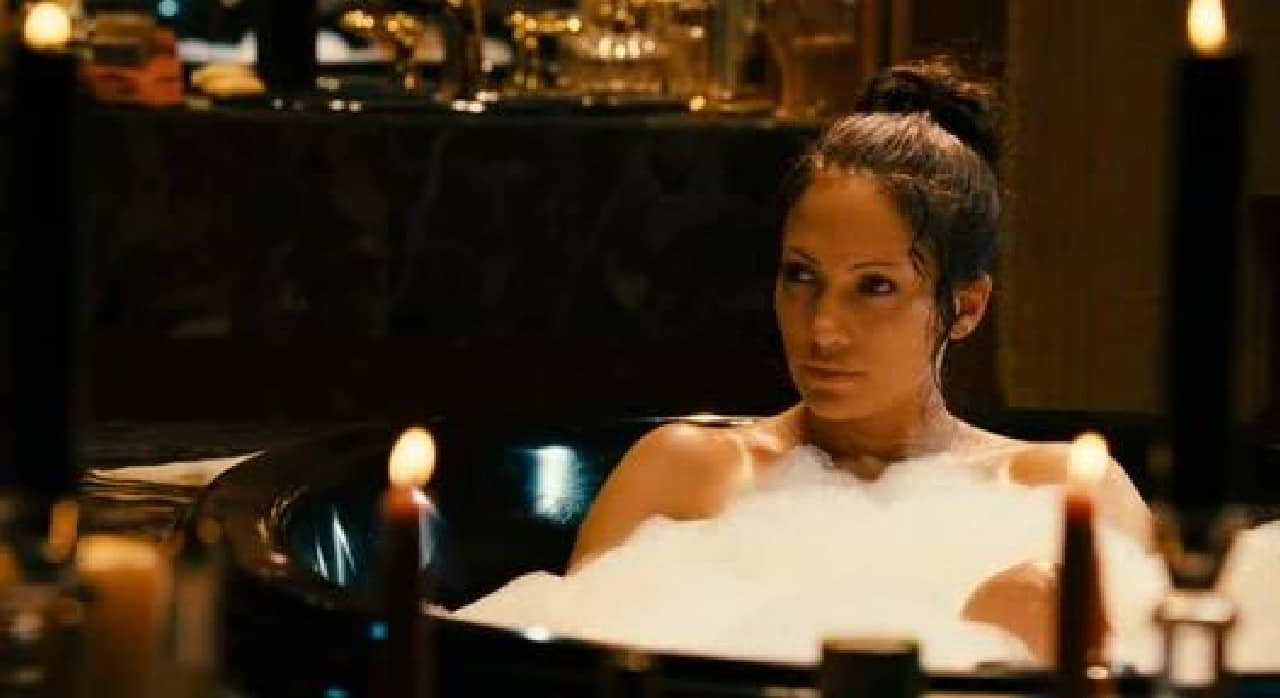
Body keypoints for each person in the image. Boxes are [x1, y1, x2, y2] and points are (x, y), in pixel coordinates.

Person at [566, 58, 1153, 662]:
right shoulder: (680, 475)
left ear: (967, 306)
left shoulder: (1062, 493)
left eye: (874, 286)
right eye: (802, 276)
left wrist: (989, 638)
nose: (823, 328)